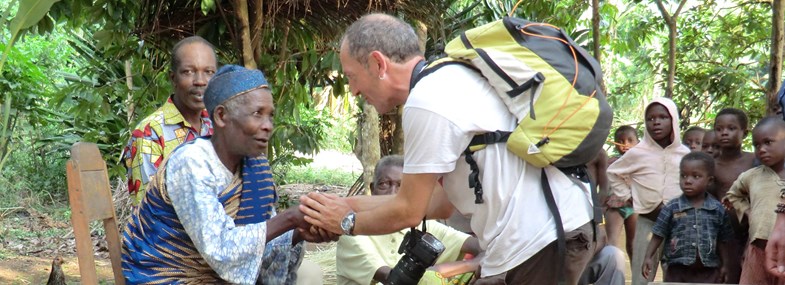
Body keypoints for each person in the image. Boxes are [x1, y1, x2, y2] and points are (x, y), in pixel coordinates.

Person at [299, 13, 596, 284]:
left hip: (540, 241)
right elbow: (438, 203)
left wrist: (344, 221)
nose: (352, 90)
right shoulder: (447, 80)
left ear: (378, 64)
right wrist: (332, 209)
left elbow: (408, 212)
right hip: (536, 240)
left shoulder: (429, 99)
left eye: (351, 77)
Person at [121, 65, 334, 284]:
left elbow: (255, 246)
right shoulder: (191, 163)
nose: (268, 126)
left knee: (312, 275)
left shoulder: (254, 168)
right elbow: (221, 250)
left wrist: (299, 231)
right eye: (257, 114)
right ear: (221, 116)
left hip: (216, 277)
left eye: (270, 116)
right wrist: (290, 218)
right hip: (166, 279)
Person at [336, 155, 480, 285]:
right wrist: (440, 271)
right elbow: (395, 279)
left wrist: (477, 264)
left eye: (401, 187)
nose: (392, 194)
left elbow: (480, 246)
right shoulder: (353, 228)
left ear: (409, 193)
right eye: (384, 184)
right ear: (373, 189)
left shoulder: (421, 223)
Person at [123, 36, 217, 205]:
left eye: (208, 72)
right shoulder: (149, 133)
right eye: (188, 72)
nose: (200, 81)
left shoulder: (216, 126)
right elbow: (149, 209)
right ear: (173, 78)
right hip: (168, 230)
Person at [606, 97, 690, 285]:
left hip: (678, 225)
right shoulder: (638, 153)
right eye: (651, 118)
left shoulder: (684, 154)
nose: (656, 122)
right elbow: (613, 172)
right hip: (647, 223)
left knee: (676, 275)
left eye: (662, 117)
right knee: (641, 277)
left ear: (673, 120)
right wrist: (627, 197)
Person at [642, 152, 733, 283]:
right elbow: (658, 234)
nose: (688, 181)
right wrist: (648, 257)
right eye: (683, 176)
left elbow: (722, 240)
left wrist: (725, 264)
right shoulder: (672, 207)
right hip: (677, 271)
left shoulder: (717, 209)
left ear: (710, 180)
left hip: (708, 272)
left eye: (696, 176)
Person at [725, 117, 785, 284]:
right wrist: (748, 212)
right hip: (757, 249)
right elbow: (733, 195)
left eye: (768, 142)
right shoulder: (752, 176)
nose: (762, 149)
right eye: (757, 145)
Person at [713, 107, 755, 283]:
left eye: (731, 129)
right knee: (727, 276)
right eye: (719, 129)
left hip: (751, 232)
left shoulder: (754, 160)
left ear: (744, 133)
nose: (724, 133)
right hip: (722, 236)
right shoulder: (711, 164)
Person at [604, 125, 639, 259]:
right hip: (615, 205)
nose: (625, 144)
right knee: (611, 242)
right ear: (615, 143)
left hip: (634, 206)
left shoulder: (642, 161)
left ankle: (637, 277)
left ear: (638, 142)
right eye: (621, 141)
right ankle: (611, 274)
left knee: (633, 245)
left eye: (630, 141)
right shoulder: (611, 161)